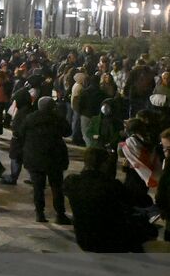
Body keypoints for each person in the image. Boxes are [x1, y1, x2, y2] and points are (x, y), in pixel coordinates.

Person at [65, 147, 156, 252]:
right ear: (104, 164)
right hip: (108, 240)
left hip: (83, 238)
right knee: (148, 228)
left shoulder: (72, 182)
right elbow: (140, 200)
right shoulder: (111, 185)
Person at [23, 95, 72, 224]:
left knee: (38, 188)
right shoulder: (57, 119)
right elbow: (67, 131)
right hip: (54, 157)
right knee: (56, 187)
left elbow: (20, 132)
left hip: (35, 156)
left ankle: (40, 213)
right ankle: (60, 214)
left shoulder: (30, 118)